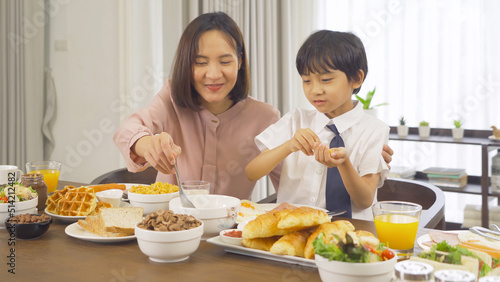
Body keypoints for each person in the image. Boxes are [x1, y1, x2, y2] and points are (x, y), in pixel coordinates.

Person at [114, 12, 393, 200]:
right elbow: (129, 129)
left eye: (224, 61)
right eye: (200, 62)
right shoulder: (171, 100)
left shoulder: (265, 116)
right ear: (187, 64)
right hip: (171, 228)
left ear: (240, 61)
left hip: (230, 238)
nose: (213, 74)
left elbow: (296, 180)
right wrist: (144, 144)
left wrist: (359, 155)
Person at [246, 30, 389, 220]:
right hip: (293, 229)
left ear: (356, 78)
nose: (315, 90)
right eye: (307, 81)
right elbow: (252, 172)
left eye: (326, 80)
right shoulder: (296, 120)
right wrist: (289, 145)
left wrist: (344, 164)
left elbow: (364, 200)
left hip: (350, 234)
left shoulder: (374, 130)